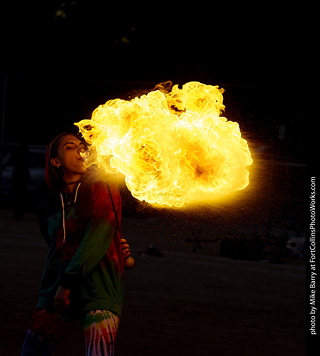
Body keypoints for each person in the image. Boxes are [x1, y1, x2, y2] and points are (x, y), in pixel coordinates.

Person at [21, 132, 131, 356]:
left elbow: (97, 236)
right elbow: (58, 251)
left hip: (98, 290)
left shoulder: (104, 188)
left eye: (82, 146)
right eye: (70, 147)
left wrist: (68, 281)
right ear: (56, 161)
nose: (80, 150)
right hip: (55, 292)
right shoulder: (46, 209)